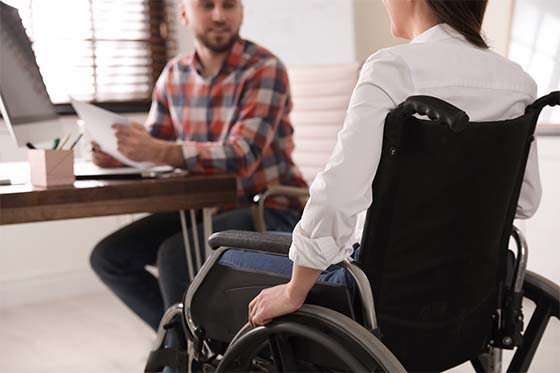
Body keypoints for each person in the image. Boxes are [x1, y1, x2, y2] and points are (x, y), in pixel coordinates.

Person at [213, 0, 543, 326]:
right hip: (466, 288)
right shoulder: (518, 82)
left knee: (218, 263)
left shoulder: (393, 68)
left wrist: (294, 290)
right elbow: (524, 201)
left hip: (379, 292)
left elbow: (339, 193)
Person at [89, 0, 306, 333]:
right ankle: (186, 347)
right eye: (207, 5)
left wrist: (158, 150)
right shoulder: (174, 74)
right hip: (202, 210)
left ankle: (185, 357)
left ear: (241, 13)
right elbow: (156, 144)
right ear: (184, 14)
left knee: (175, 254)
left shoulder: (264, 68)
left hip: (268, 207)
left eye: (229, 5)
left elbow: (242, 155)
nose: (219, 15)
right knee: (110, 256)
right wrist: (120, 154)